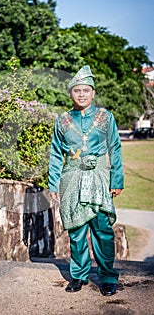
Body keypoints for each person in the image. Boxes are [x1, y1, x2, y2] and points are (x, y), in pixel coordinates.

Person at [48, 65, 124, 296]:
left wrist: (117, 179)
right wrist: (53, 183)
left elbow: (115, 148)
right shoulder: (62, 120)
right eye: (77, 90)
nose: (81, 94)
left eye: (86, 90)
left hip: (99, 177)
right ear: (70, 93)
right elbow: (54, 153)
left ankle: (108, 277)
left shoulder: (105, 117)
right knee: (77, 229)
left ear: (93, 93)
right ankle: (78, 276)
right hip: (71, 178)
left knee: (102, 229)